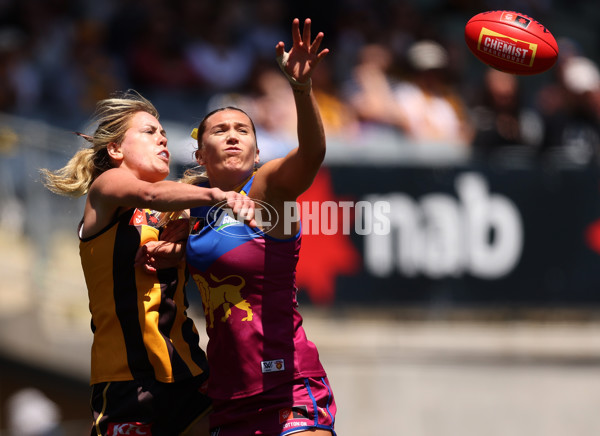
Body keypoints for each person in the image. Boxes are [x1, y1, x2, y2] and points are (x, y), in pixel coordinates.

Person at [40, 90, 256, 436]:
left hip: (188, 372)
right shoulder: (106, 188)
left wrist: (183, 244)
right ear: (115, 150)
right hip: (126, 380)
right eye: (149, 132)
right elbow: (151, 194)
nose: (162, 139)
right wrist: (219, 195)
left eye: (164, 134)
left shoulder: (182, 209)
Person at [182, 18, 337, 436]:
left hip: (290, 385)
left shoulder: (267, 188)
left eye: (242, 130)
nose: (232, 136)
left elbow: (312, 154)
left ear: (256, 152)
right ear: (200, 154)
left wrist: (302, 90)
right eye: (220, 130)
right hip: (228, 395)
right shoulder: (190, 208)